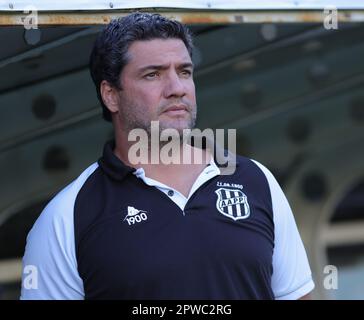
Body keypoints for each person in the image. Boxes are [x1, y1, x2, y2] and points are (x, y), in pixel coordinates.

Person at [20, 12, 314, 300]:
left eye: (184, 72)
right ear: (111, 95)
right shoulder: (66, 217)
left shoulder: (256, 181)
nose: (177, 88)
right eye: (153, 75)